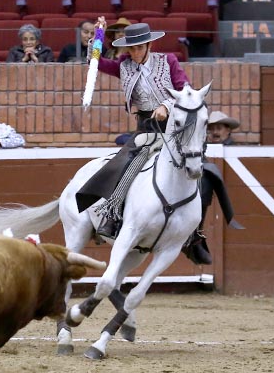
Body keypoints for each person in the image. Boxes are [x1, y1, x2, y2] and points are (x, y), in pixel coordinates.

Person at [75, 19, 190, 239]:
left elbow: (186, 90)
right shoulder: (124, 66)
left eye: (139, 47)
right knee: (127, 162)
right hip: (147, 126)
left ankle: (196, 229)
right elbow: (94, 60)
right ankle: (112, 211)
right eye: (132, 48)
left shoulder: (168, 61)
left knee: (198, 164)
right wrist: (99, 34)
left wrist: (166, 105)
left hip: (175, 125)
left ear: (149, 45)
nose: (135, 52)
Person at [182, 110, 243, 265]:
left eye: (219, 128)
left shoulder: (235, 150)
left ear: (228, 130)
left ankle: (195, 237)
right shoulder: (201, 148)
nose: (214, 132)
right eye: (211, 128)